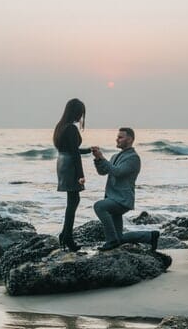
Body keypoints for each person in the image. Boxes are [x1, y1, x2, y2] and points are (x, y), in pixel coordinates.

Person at [92, 127, 160, 251]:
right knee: (119, 238)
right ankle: (150, 236)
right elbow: (102, 171)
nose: (117, 139)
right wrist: (97, 159)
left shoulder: (133, 158)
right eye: (117, 137)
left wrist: (102, 158)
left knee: (99, 206)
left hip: (122, 200)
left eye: (120, 137)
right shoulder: (114, 156)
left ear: (130, 140)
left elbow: (118, 172)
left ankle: (111, 241)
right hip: (112, 197)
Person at [53, 98, 91, 252]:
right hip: (70, 166)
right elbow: (75, 153)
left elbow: (70, 149)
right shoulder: (71, 129)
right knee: (73, 201)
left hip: (62, 162)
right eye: (81, 112)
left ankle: (65, 234)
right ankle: (67, 237)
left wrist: (89, 150)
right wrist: (80, 175)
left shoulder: (61, 126)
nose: (81, 116)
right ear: (76, 112)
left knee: (72, 201)